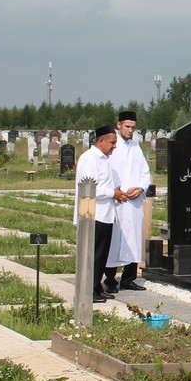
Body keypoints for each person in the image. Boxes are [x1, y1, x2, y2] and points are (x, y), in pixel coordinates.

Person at [74, 124, 125, 304]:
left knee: (101, 255)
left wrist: (116, 192)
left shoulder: (103, 159)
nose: (114, 146)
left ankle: (96, 287)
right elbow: (90, 187)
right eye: (112, 143)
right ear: (101, 141)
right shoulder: (90, 159)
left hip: (106, 213)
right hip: (94, 215)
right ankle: (89, 290)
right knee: (93, 255)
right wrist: (113, 193)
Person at [103, 111, 151, 294]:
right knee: (114, 240)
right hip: (117, 201)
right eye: (127, 127)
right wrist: (117, 191)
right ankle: (110, 279)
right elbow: (106, 171)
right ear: (119, 125)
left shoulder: (135, 147)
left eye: (133, 127)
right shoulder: (112, 146)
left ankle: (129, 279)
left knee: (133, 240)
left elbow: (144, 173)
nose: (130, 130)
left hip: (134, 202)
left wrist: (140, 188)